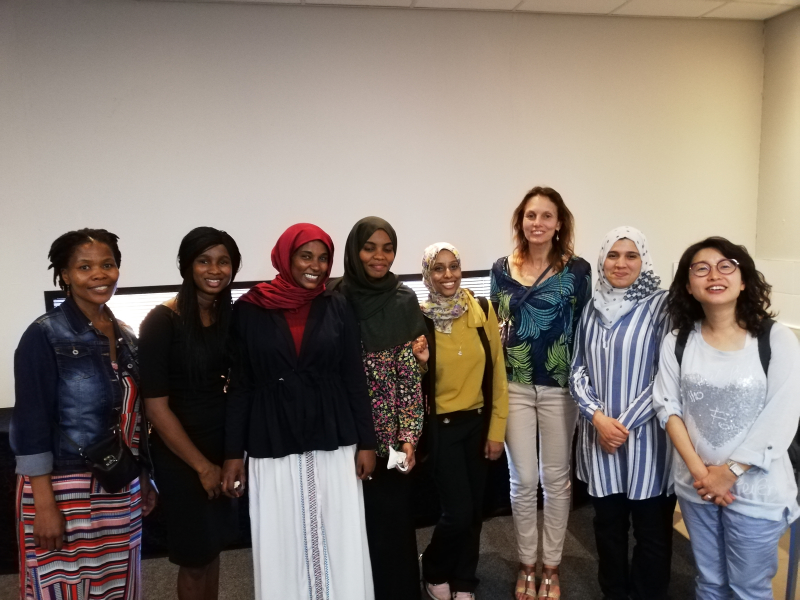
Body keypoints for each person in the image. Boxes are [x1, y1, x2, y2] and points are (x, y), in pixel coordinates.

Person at [221, 223, 377, 600]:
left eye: (323, 258)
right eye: (306, 256)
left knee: (338, 533)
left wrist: (367, 443)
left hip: (331, 434)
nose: (317, 266)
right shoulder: (249, 309)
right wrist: (231, 454)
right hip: (272, 436)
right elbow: (241, 385)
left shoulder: (337, 304)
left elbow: (354, 377)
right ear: (286, 257)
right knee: (282, 536)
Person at [11, 228, 156, 600]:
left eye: (107, 264)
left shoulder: (125, 335)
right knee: (66, 587)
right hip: (63, 487)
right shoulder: (44, 335)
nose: (98, 274)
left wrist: (144, 474)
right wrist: (44, 505)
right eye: (84, 267)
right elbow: (30, 423)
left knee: (118, 584)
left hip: (118, 484)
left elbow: (134, 417)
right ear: (64, 275)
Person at [653, 236, 800, 600]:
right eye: (701, 268)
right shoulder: (678, 340)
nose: (714, 275)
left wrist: (727, 473)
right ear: (689, 285)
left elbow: (782, 414)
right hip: (696, 487)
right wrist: (704, 476)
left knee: (748, 588)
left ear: (744, 279)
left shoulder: (773, 339)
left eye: (726, 266)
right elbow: (667, 407)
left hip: (756, 491)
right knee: (710, 582)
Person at [490, 186, 591, 599]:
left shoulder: (578, 270)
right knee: (522, 479)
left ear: (559, 223)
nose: (537, 223)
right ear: (521, 221)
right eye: (531, 215)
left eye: (546, 216)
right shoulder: (501, 268)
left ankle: (551, 565)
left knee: (556, 479)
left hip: (558, 387)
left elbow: (585, 329)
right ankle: (526, 562)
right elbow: (497, 326)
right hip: (513, 384)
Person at [569, 226, 675, 600]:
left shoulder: (662, 306)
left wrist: (622, 424)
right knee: (608, 528)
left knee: (652, 532)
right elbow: (577, 368)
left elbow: (668, 375)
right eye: (613, 255)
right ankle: (613, 592)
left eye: (631, 255)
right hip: (601, 440)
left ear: (643, 261)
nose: (621, 263)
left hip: (648, 441)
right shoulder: (592, 307)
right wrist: (597, 417)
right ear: (602, 260)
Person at [139, 227, 242, 600]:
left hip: (220, 447)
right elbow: (155, 408)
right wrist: (202, 466)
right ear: (187, 266)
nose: (214, 269)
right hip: (182, 455)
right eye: (204, 260)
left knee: (214, 549)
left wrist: (230, 457)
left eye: (223, 261)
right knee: (195, 559)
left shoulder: (228, 317)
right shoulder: (161, 322)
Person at [328, 216, 428, 600]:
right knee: (349, 527)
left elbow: (409, 378)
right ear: (355, 250)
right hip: (345, 437)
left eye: (387, 248)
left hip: (390, 441)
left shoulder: (402, 299)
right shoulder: (334, 298)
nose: (379, 256)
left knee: (393, 524)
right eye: (370, 247)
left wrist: (408, 438)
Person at [419, 242, 509, 600]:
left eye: (453, 266)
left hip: (478, 422)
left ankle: (464, 580)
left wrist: (497, 430)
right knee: (457, 512)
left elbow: (497, 372)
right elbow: (414, 378)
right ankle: (435, 566)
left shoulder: (481, 309)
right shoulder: (420, 316)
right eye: (438, 268)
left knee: (474, 511)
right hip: (441, 429)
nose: (448, 275)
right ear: (427, 274)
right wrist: (421, 362)